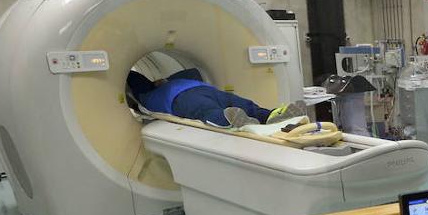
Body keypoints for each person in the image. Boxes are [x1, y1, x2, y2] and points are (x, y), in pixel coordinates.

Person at [125, 69, 302, 128]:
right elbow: (195, 70)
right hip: (199, 91)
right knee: (240, 104)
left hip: (188, 96)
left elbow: (132, 78)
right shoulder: (176, 81)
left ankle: (229, 118)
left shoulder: (148, 95)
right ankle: (270, 115)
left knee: (211, 110)